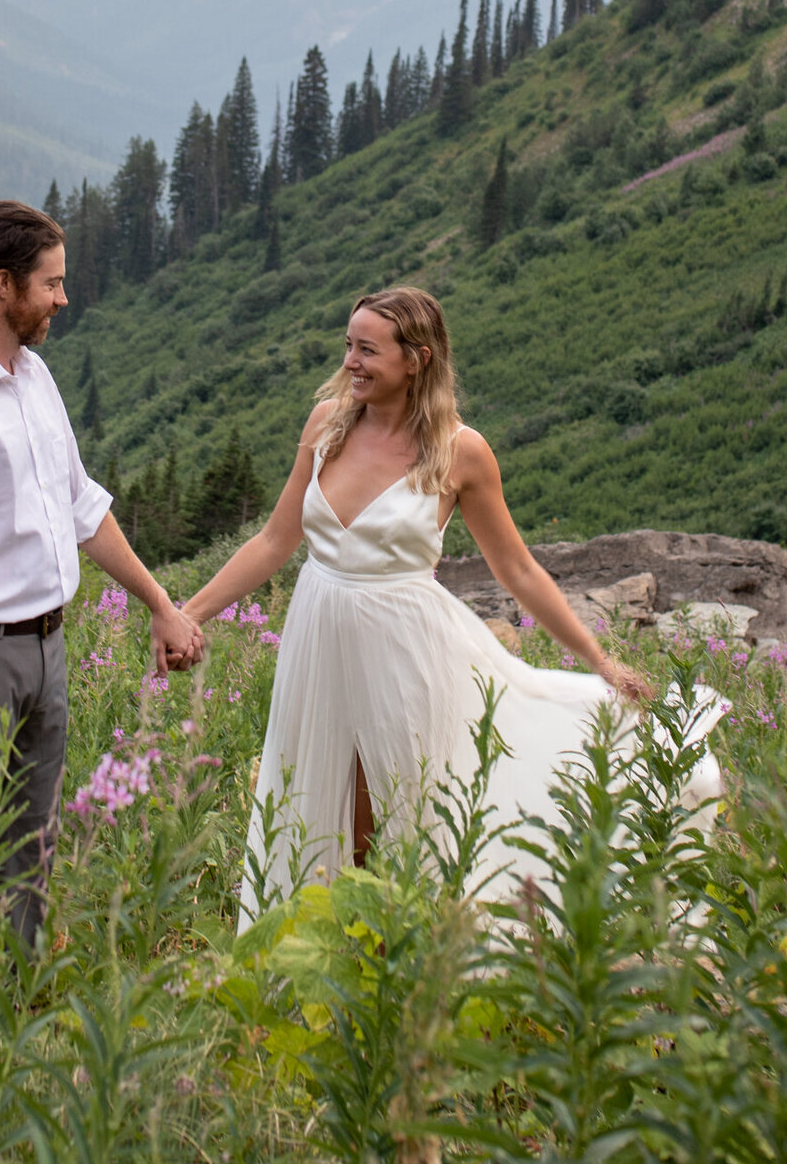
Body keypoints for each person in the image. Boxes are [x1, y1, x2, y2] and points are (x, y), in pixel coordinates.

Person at [181, 285, 723, 926]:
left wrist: (598, 659)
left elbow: (518, 570)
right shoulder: (326, 425)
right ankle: (329, 971)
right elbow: (275, 540)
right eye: (348, 346)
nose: (351, 362)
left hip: (406, 651)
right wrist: (187, 613)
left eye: (367, 350)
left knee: (408, 823)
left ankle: (415, 971)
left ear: (417, 359)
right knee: (321, 811)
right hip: (318, 640)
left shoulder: (460, 451)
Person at [0, 199, 203, 945]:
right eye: (51, 283)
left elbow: (81, 508)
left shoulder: (32, 378)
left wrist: (160, 603)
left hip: (45, 645)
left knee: (33, 842)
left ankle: (15, 990)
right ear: (4, 284)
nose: (64, 298)